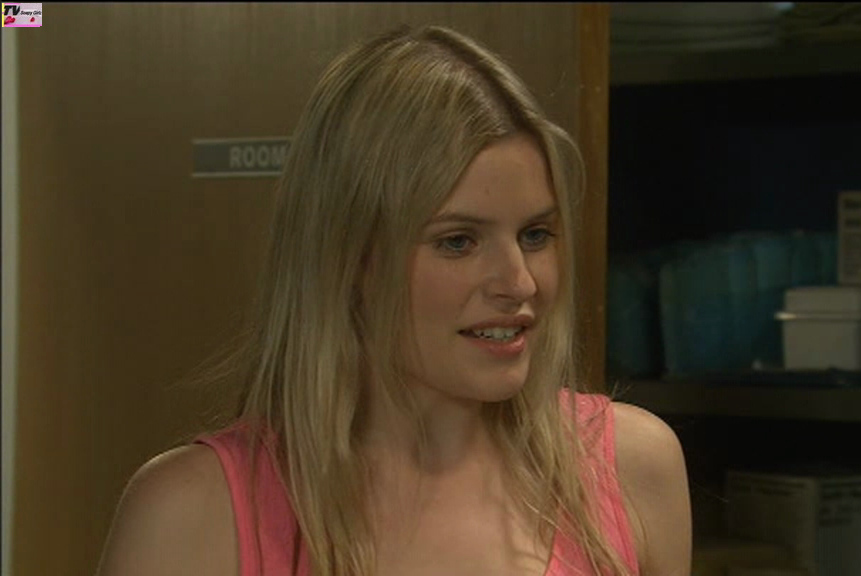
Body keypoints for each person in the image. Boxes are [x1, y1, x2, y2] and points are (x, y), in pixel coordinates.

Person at [96, 24, 691, 576]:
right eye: (458, 241)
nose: (520, 283)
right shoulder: (192, 516)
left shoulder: (631, 470)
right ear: (349, 259)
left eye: (535, 235)